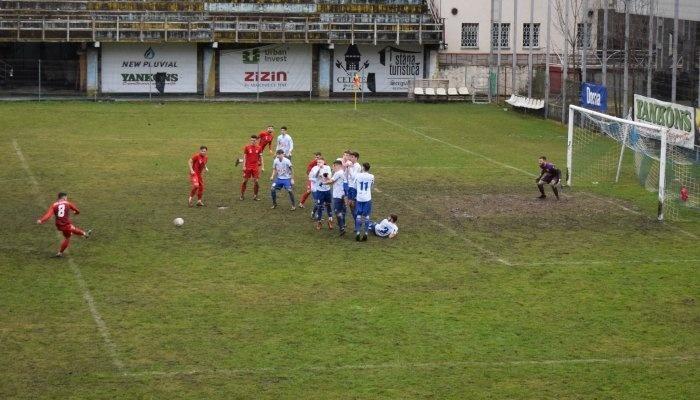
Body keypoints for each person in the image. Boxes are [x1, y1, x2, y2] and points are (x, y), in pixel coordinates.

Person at [37, 192, 91, 257]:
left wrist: (41, 220)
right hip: (66, 225)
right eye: (66, 197)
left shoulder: (54, 205)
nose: (66, 198)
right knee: (67, 237)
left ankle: (85, 234)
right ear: (64, 197)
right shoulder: (68, 203)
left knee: (72, 228)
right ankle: (60, 253)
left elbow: (48, 215)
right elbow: (77, 211)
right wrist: (75, 212)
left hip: (59, 225)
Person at [324, 160, 348, 235]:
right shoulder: (342, 172)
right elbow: (333, 181)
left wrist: (323, 183)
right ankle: (343, 225)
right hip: (344, 195)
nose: (333, 167)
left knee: (337, 211)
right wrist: (328, 177)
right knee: (342, 211)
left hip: (338, 195)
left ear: (337, 165)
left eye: (333, 166)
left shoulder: (338, 173)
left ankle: (342, 228)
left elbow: (331, 181)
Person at [309, 158, 334, 230]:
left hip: (327, 190)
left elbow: (329, 178)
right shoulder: (315, 168)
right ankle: (319, 222)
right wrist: (319, 170)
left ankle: (330, 220)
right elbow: (313, 177)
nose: (318, 163)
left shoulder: (327, 167)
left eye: (320, 162)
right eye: (317, 162)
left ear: (324, 162)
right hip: (319, 191)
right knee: (319, 206)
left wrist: (325, 176)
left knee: (328, 205)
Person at [354, 162, 375, 242]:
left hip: (359, 198)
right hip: (367, 198)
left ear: (363, 168)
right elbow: (371, 186)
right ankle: (366, 233)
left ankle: (358, 232)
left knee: (358, 215)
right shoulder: (372, 176)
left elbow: (355, 186)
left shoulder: (358, 175)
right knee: (367, 216)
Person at [240, 135, 263, 201]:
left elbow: (261, 157)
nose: (252, 142)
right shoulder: (247, 147)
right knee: (245, 181)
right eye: (251, 140)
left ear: (256, 140)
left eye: (254, 140)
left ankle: (255, 196)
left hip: (255, 167)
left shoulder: (259, 148)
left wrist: (261, 165)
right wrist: (244, 166)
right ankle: (242, 195)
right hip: (248, 167)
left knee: (256, 182)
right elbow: (244, 157)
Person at [345, 151, 362, 217]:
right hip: (349, 186)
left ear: (356, 158)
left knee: (353, 204)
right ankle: (356, 219)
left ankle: (357, 219)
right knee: (350, 204)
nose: (350, 158)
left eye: (352, 157)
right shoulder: (352, 165)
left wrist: (349, 168)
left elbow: (353, 177)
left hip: (353, 188)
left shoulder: (357, 166)